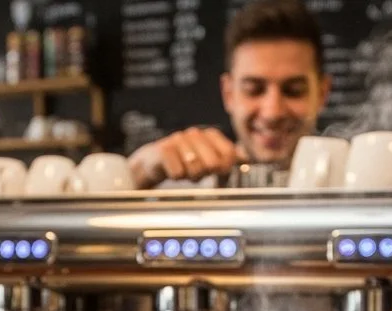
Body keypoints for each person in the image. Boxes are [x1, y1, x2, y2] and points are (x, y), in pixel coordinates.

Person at [127, 0, 332, 189]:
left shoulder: (350, 178)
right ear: (228, 94)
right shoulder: (184, 184)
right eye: (254, 90)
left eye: (293, 91)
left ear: (322, 93)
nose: (272, 113)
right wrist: (142, 169)